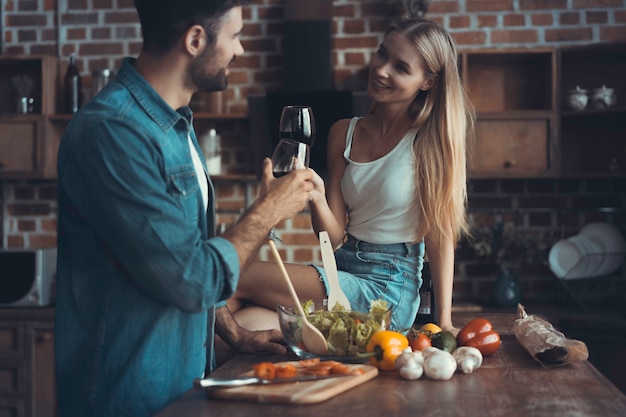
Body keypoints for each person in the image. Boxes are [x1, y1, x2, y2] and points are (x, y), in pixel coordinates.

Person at [54, 1, 317, 416]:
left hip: (180, 391)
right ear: (195, 40)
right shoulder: (113, 134)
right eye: (234, 36)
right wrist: (267, 211)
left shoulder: (177, 126)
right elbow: (192, 278)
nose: (240, 50)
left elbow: (184, 252)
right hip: (127, 397)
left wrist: (234, 334)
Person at [229, 17, 475, 337]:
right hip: (340, 268)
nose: (382, 70)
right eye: (382, 54)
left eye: (401, 67)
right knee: (245, 323)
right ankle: (212, 380)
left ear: (427, 82)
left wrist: (443, 321)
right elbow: (331, 239)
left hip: (387, 290)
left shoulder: (430, 141)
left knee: (230, 275)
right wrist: (316, 196)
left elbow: (441, 235)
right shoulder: (343, 132)